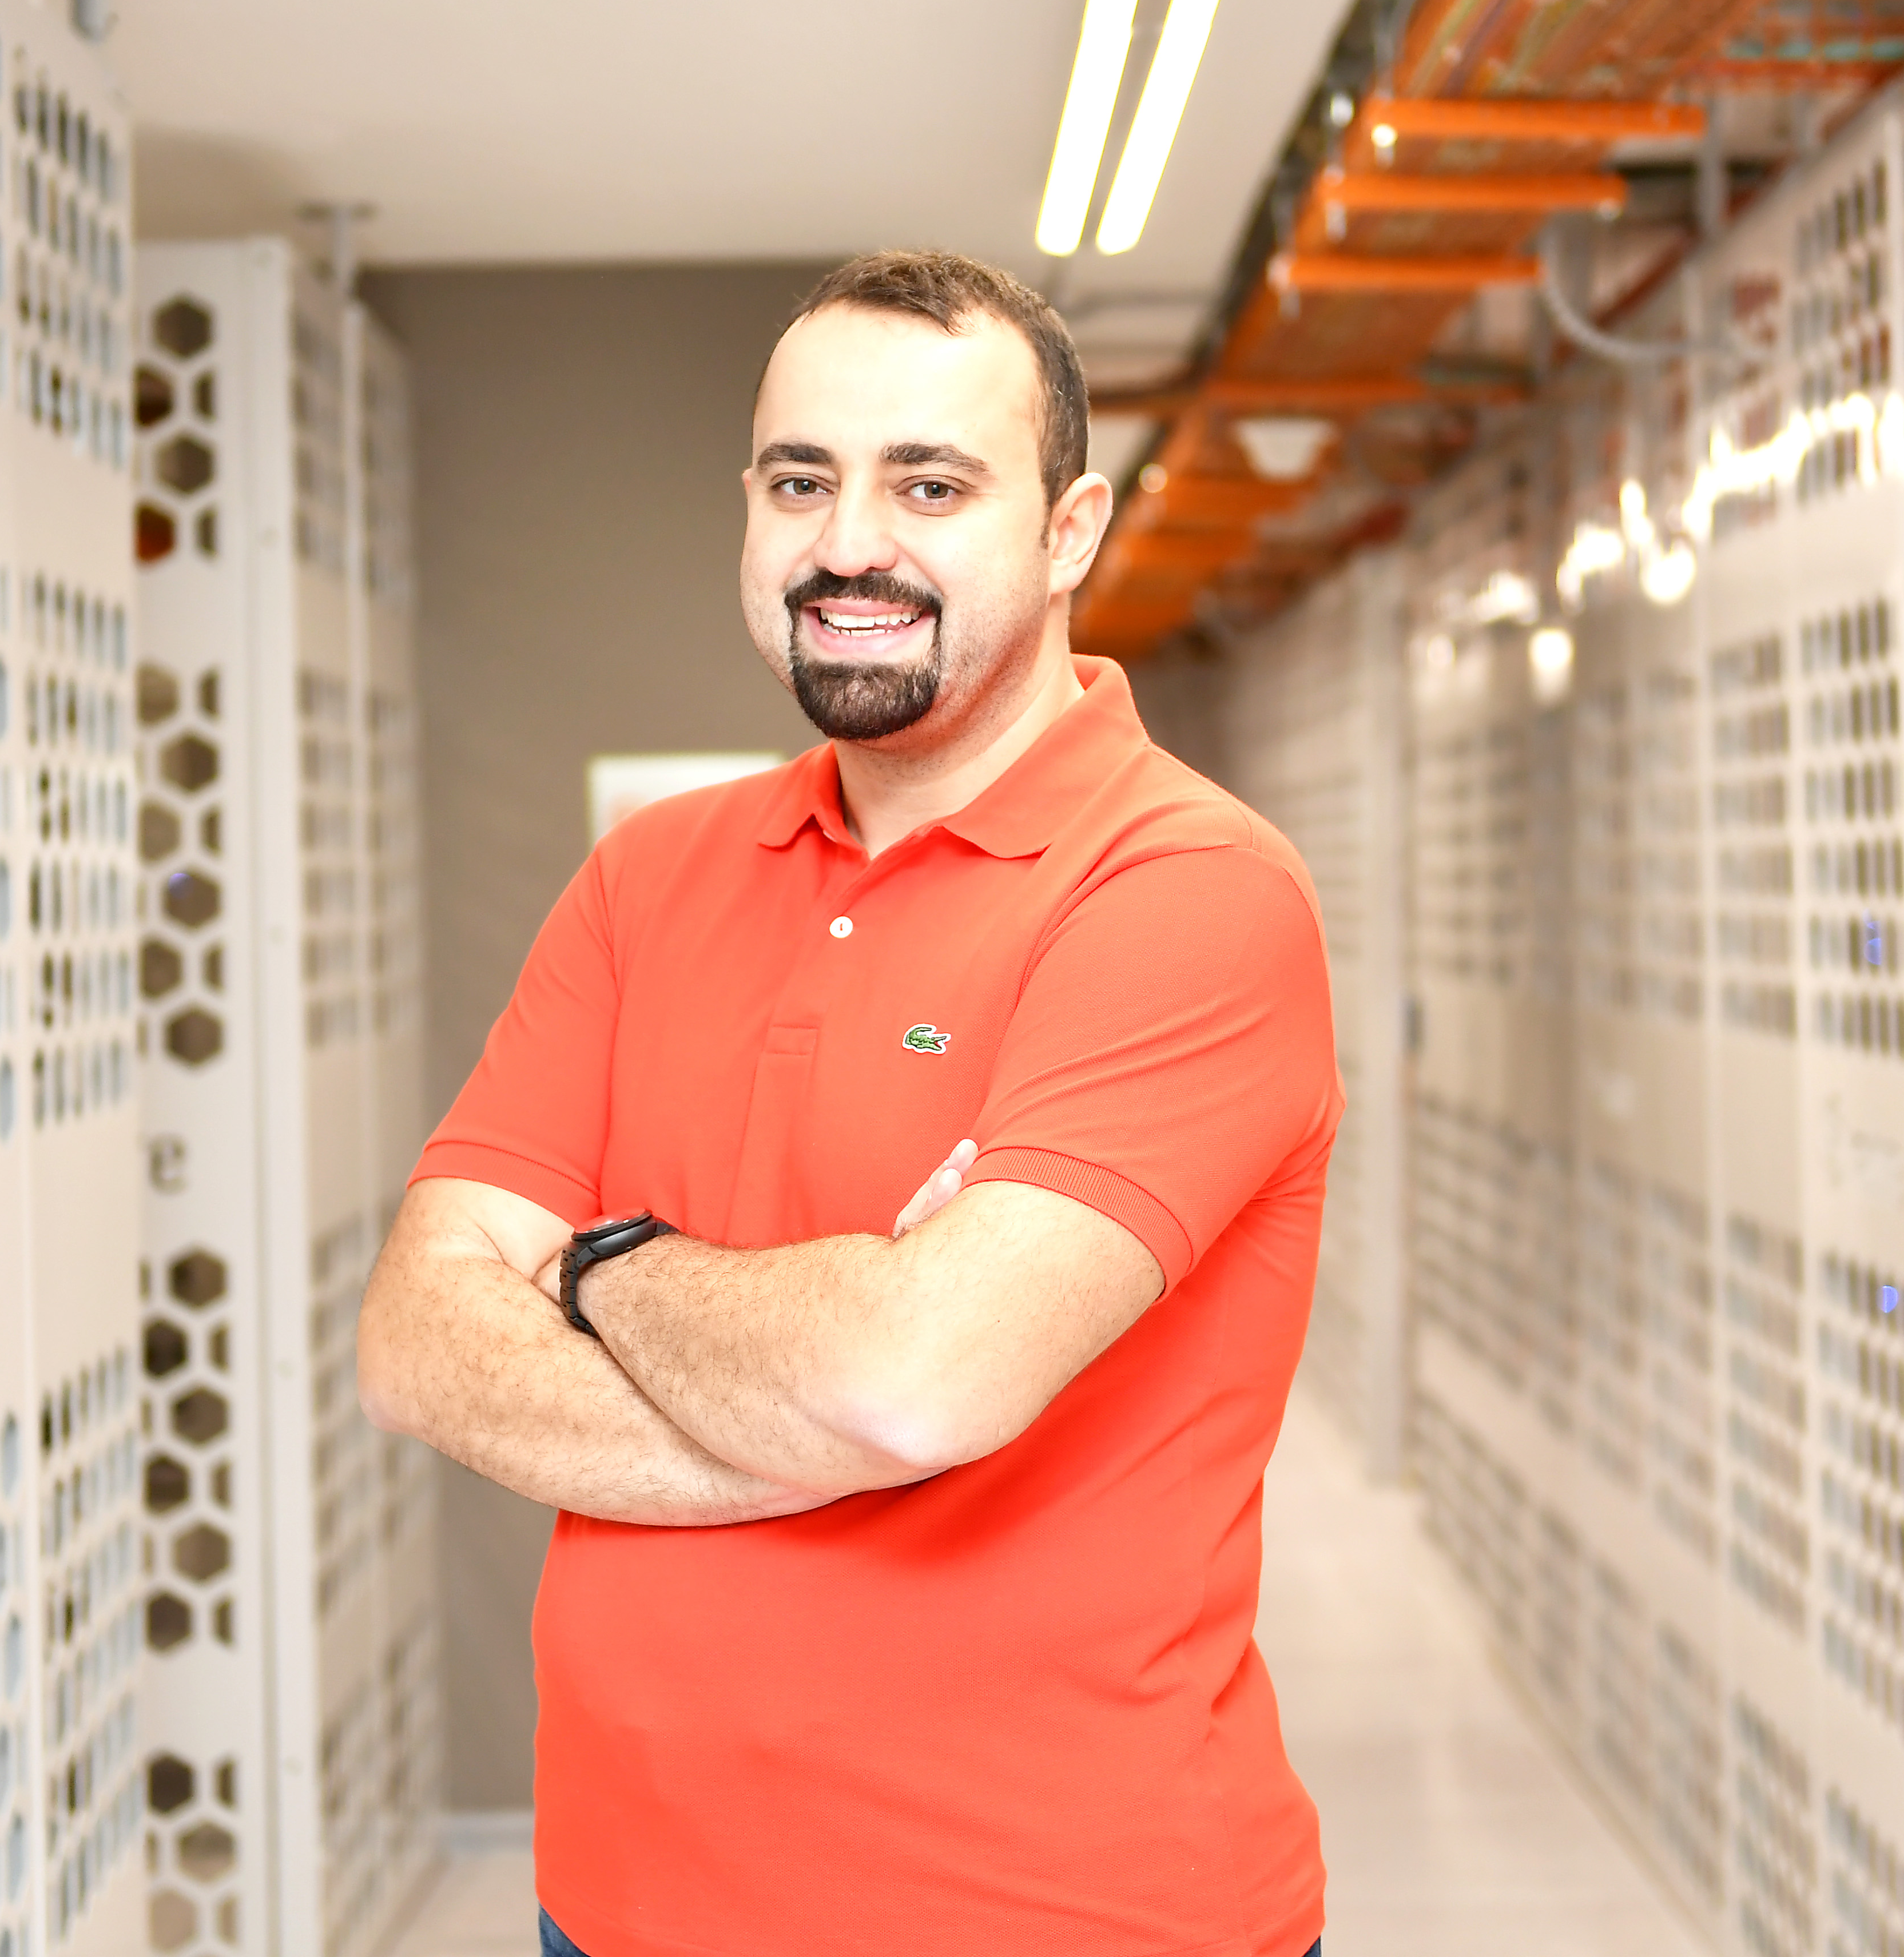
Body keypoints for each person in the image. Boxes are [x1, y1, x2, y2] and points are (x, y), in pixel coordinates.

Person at [357, 249, 1339, 1957]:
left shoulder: (1187, 889)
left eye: (931, 485)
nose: (848, 545)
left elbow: (916, 1379)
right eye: (800, 481)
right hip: (617, 1909)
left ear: (1069, 532)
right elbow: (414, 1346)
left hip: (1057, 1922)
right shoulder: (650, 878)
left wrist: (599, 1268)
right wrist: (835, 1414)